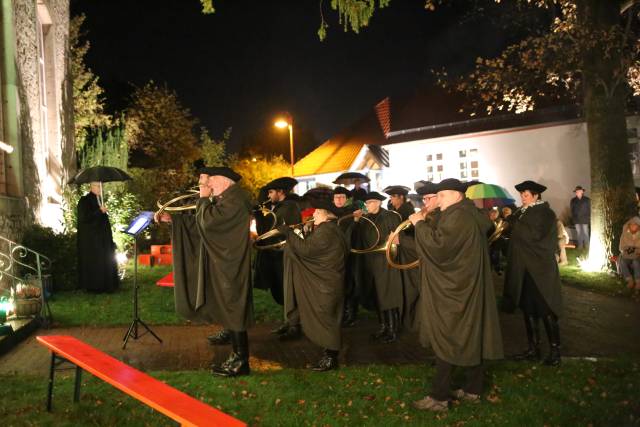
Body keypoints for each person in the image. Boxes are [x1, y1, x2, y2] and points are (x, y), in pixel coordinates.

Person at [410, 178, 503, 412]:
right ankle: (473, 389)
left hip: (455, 289)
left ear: (457, 196)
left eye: (441, 196)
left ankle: (439, 397)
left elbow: (440, 247)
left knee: (448, 335)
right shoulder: (466, 213)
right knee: (470, 332)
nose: (437, 200)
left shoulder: (458, 216)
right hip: (465, 283)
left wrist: (420, 224)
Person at [196, 166, 254, 377]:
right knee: (231, 306)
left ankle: (241, 361)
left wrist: (203, 199)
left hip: (232, 265)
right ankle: (237, 357)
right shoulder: (230, 198)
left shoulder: (234, 201)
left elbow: (210, 222)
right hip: (230, 262)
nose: (209, 184)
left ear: (226, 181)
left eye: (212, 180)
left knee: (234, 306)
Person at [279, 199, 349, 371]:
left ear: (327, 215)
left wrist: (289, 234)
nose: (314, 214)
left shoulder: (326, 231)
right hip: (329, 282)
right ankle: (329, 356)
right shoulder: (330, 229)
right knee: (328, 318)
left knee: (326, 319)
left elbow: (307, 250)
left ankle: (331, 359)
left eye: (318, 212)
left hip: (325, 285)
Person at [504, 180, 563, 367]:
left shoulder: (545, 214)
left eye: (526, 195)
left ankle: (555, 351)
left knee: (546, 310)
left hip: (541, 271)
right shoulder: (522, 213)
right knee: (528, 310)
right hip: (524, 270)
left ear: (536, 196)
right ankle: (533, 349)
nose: (522, 198)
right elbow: (517, 239)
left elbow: (534, 236)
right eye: (521, 195)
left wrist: (514, 222)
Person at [353, 192, 403, 343]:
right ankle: (383, 327)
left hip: (386, 261)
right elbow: (357, 239)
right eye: (367, 203)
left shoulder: (390, 216)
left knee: (389, 296)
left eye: (371, 202)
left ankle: (393, 330)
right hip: (371, 261)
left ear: (379, 203)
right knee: (378, 296)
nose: (368, 205)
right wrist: (356, 221)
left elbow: (395, 239)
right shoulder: (366, 219)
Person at [385, 184, 420, 330]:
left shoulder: (406, 211)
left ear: (401, 198)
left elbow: (410, 233)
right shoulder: (397, 210)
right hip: (403, 251)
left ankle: (409, 319)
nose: (391, 200)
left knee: (410, 286)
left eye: (393, 197)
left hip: (408, 254)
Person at [77, 182, 120, 293]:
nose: (100, 188)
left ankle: (108, 285)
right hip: (92, 240)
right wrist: (99, 211)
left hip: (103, 238)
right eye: (97, 186)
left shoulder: (99, 199)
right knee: (96, 262)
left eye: (101, 186)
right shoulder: (84, 201)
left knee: (106, 259)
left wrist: (102, 212)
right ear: (91, 186)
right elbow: (84, 218)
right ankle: (95, 287)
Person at [332, 186, 361, 327]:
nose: (339, 200)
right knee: (338, 283)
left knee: (350, 281)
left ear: (346, 199)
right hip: (334, 255)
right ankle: (341, 313)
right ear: (333, 199)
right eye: (336, 197)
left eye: (342, 197)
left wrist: (355, 222)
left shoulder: (351, 213)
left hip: (350, 253)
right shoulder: (330, 214)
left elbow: (355, 233)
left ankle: (351, 314)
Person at [618, 216, 640, 292]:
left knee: (636, 263)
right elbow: (621, 247)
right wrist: (626, 249)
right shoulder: (625, 234)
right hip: (627, 255)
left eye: (635, 224)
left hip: (637, 256)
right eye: (631, 224)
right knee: (622, 261)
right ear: (629, 225)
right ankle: (629, 280)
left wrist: (636, 250)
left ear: (638, 226)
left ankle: (638, 282)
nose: (633, 226)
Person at [570, 185, 591, 249]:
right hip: (577, 220)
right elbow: (572, 210)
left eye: (578, 191)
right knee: (579, 234)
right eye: (576, 191)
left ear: (582, 192)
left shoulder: (587, 200)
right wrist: (574, 218)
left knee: (585, 233)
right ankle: (580, 246)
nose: (577, 192)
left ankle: (587, 246)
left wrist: (588, 217)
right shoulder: (573, 200)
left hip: (585, 219)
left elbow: (589, 209)